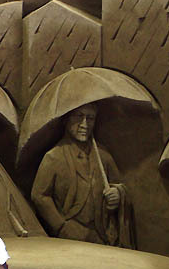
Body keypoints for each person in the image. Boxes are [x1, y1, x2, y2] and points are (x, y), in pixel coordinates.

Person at [31, 103, 135, 248]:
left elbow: (119, 185)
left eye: (90, 118)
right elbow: (39, 196)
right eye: (79, 116)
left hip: (102, 236)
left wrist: (117, 194)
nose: (84, 124)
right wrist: (61, 226)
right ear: (66, 120)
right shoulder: (54, 157)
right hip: (69, 238)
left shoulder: (103, 156)